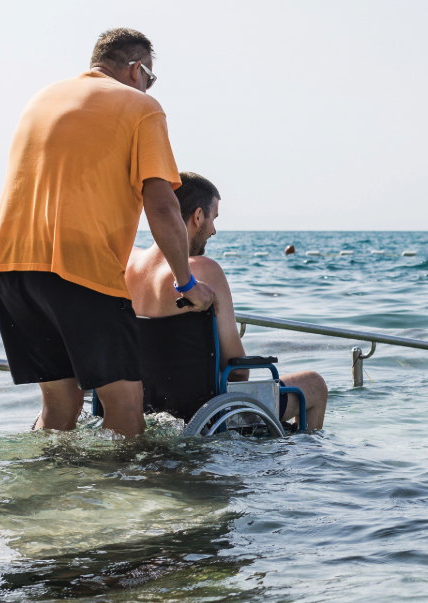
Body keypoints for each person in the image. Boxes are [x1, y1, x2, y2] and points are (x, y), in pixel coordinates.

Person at [0, 29, 216, 438]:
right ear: (135, 69)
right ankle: (124, 502)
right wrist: (187, 283)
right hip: (79, 269)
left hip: (9, 269)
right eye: (151, 76)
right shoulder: (141, 106)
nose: (149, 86)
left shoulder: (42, 98)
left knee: (60, 405)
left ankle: (44, 494)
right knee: (125, 406)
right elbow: (163, 206)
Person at [124, 173, 328, 431]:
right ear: (198, 216)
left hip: (139, 408)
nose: (214, 231)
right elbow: (238, 372)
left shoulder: (129, 263)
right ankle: (308, 467)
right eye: (213, 219)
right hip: (207, 415)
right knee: (314, 385)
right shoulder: (205, 271)